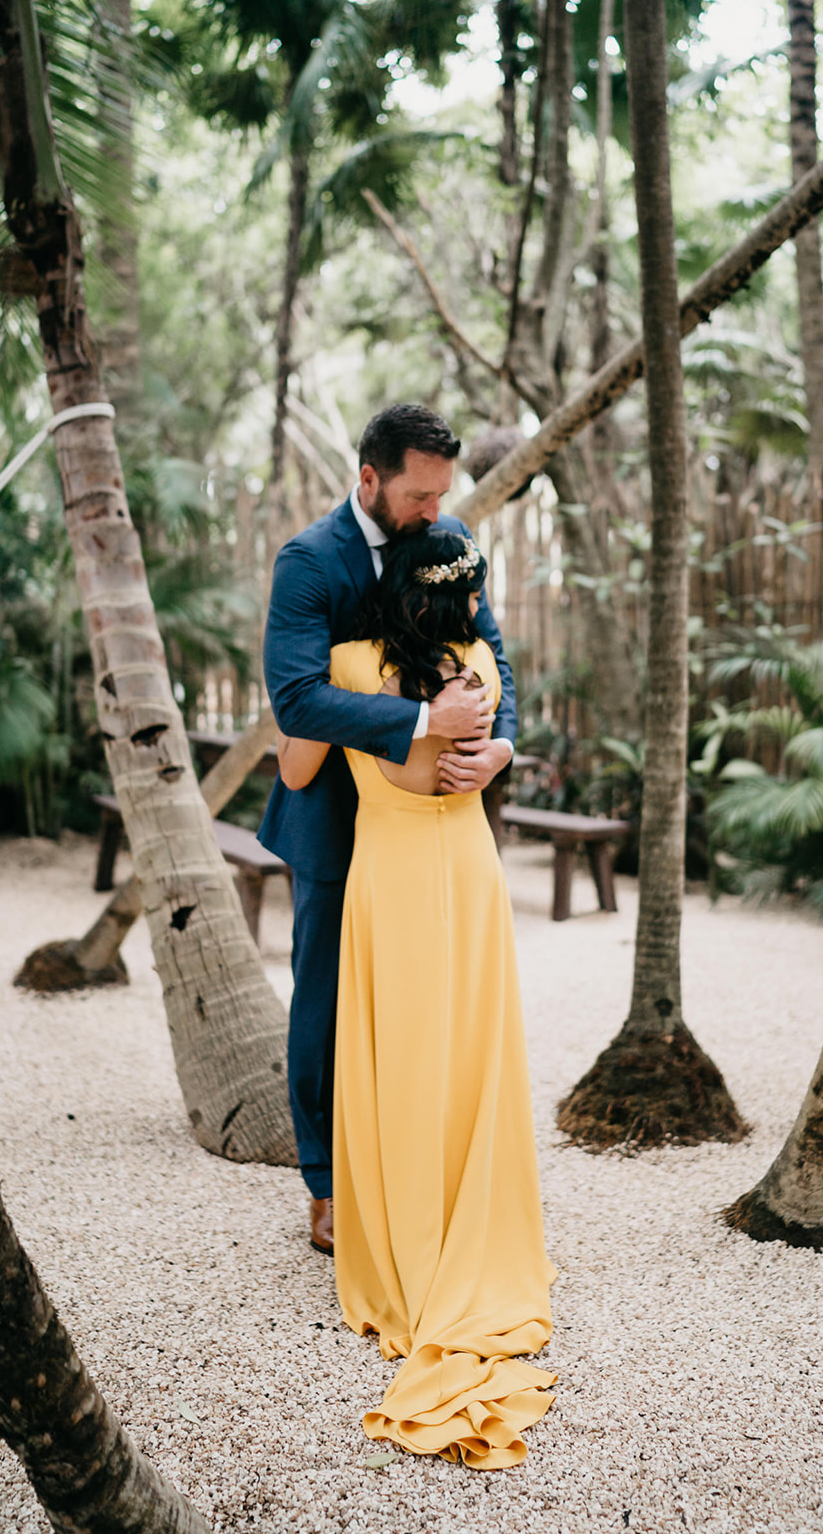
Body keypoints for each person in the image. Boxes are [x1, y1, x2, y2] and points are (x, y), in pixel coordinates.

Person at [277, 527, 556, 1469]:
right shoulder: (475, 668)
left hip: (388, 879)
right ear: (459, 603)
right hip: (466, 873)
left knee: (393, 1052)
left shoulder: (350, 664)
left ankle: (396, 1239)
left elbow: (299, 767)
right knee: (466, 1055)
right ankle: (463, 1224)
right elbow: (460, 752)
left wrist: (326, 714)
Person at [259, 405, 517, 1254]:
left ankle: (415, 1166)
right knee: (329, 1004)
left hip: (438, 817)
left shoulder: (446, 537)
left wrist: (498, 746)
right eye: (418, 494)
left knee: (424, 1003)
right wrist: (417, 719)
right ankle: (328, 1186)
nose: (435, 511)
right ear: (369, 479)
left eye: (443, 493)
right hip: (338, 817)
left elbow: (492, 655)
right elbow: (296, 699)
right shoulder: (309, 562)